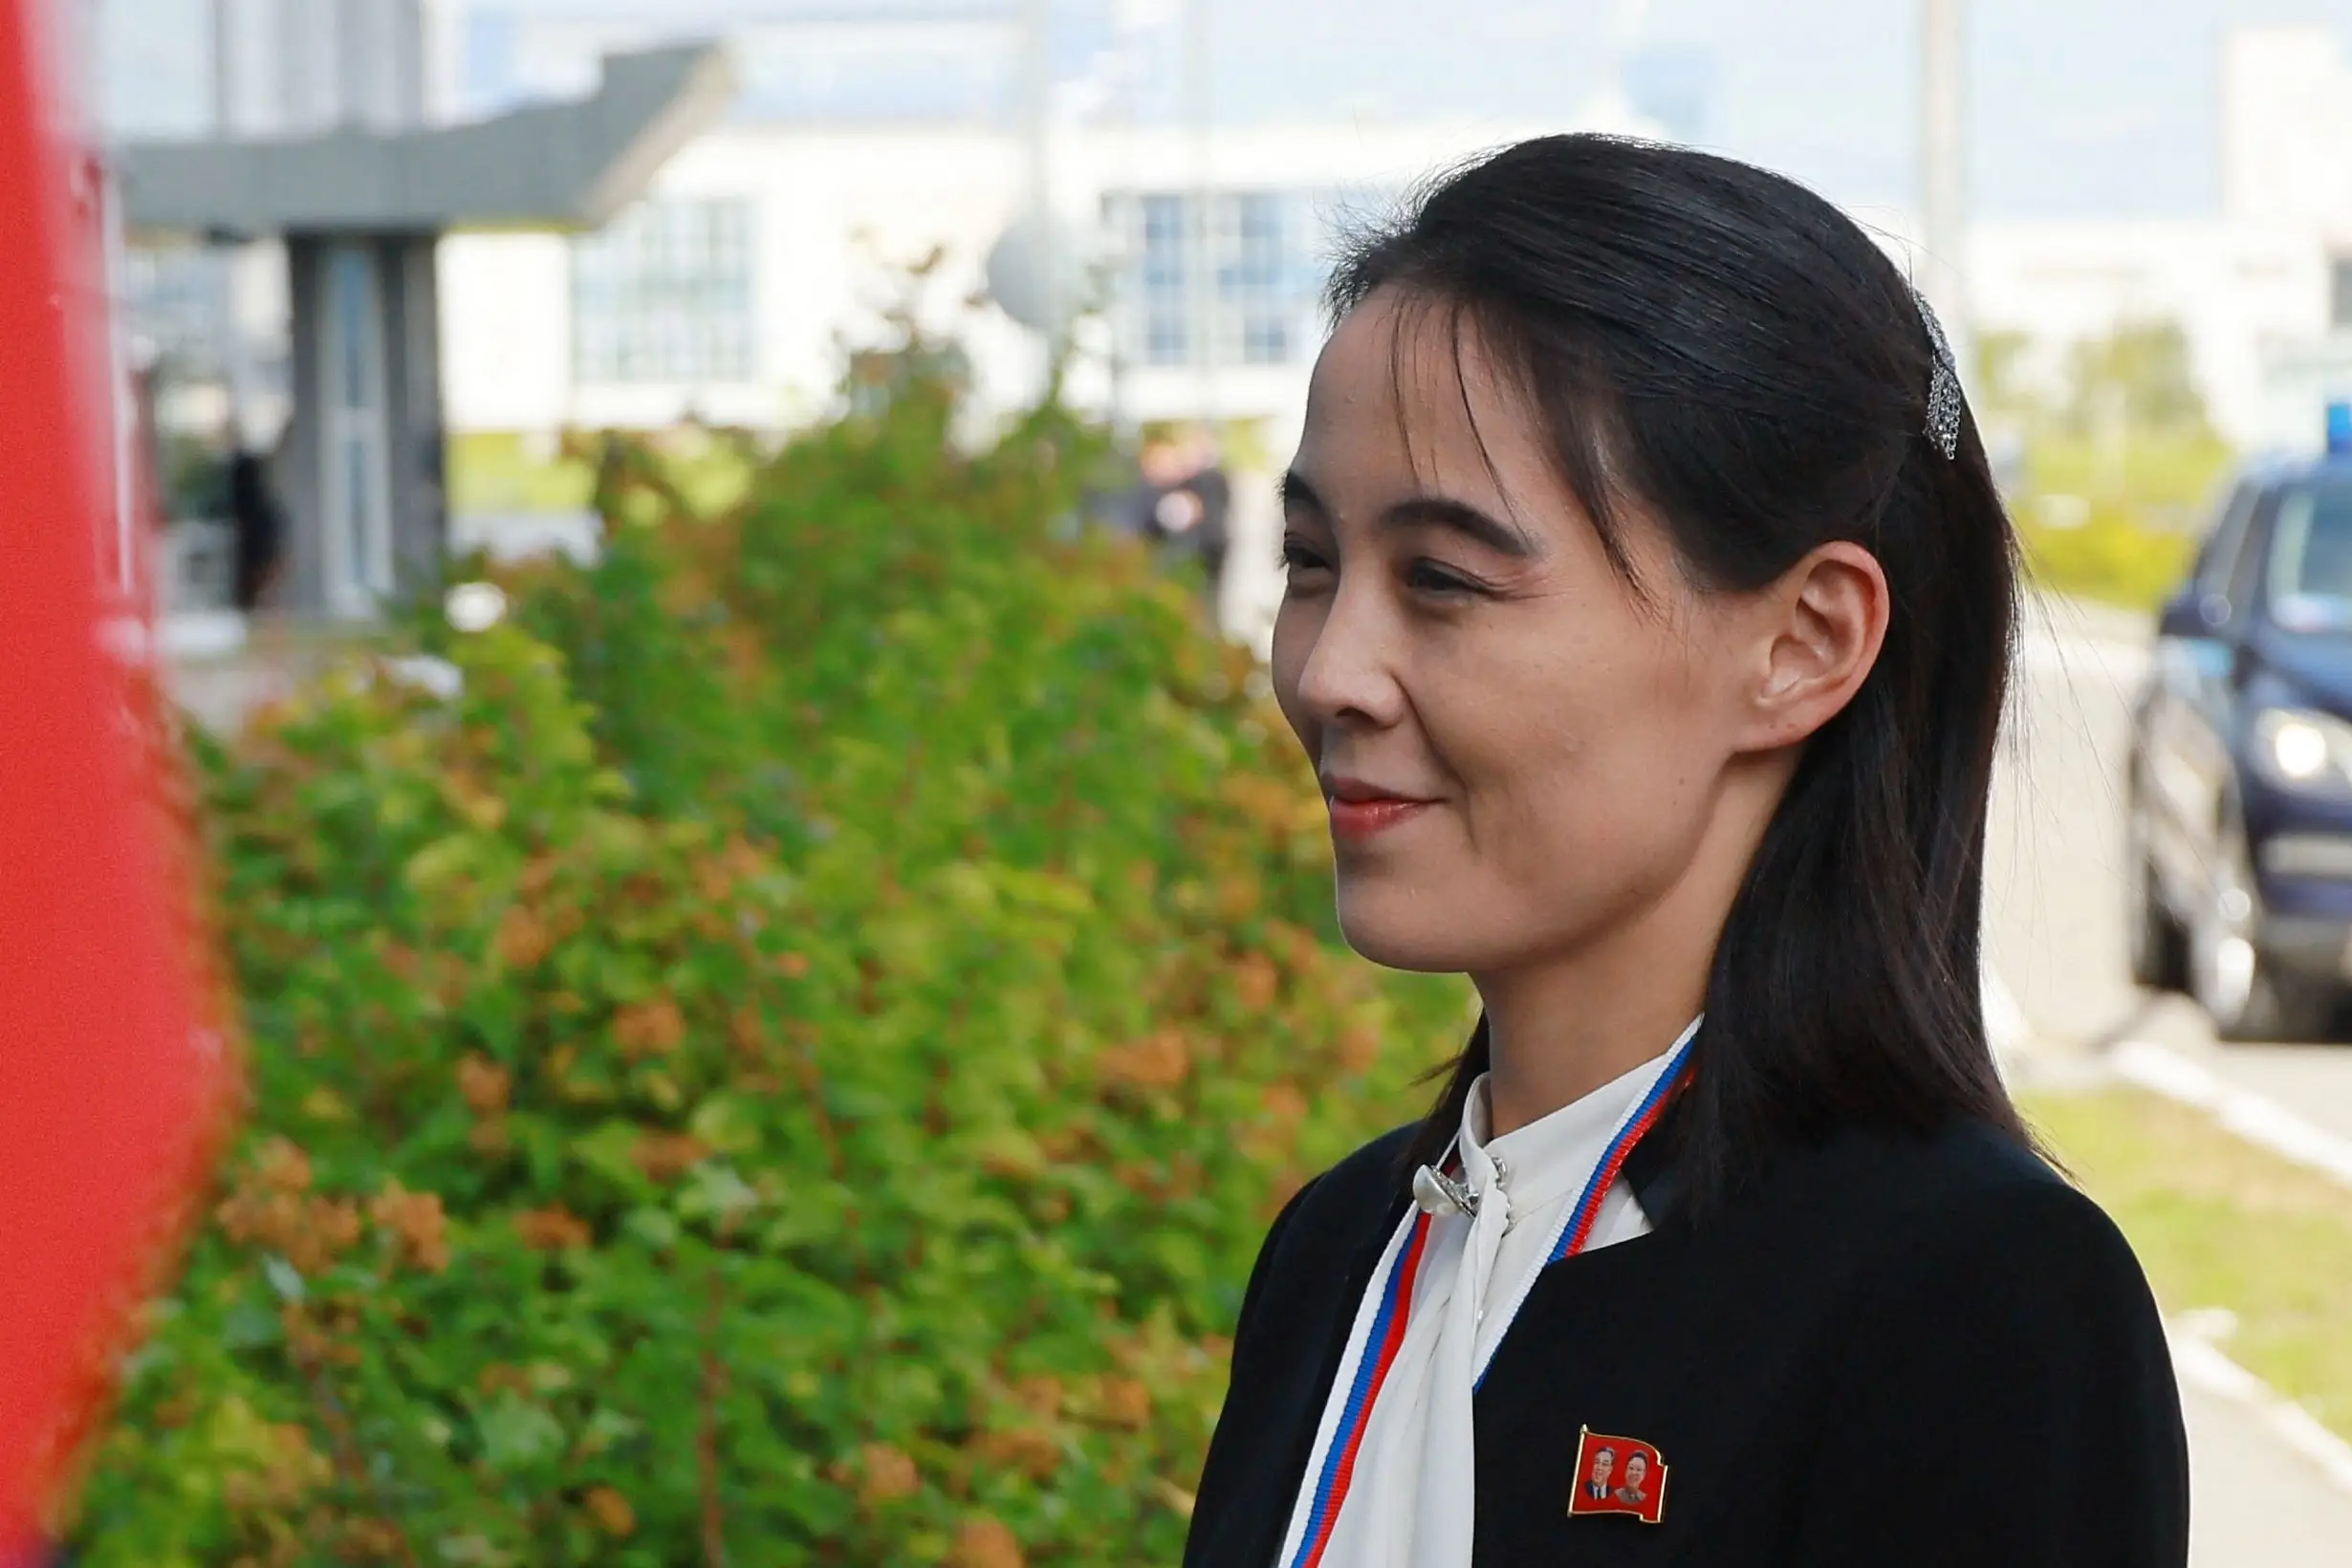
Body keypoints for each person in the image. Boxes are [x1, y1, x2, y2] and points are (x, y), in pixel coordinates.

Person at [1183, 136, 2187, 1568]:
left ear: (1803, 643)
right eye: (1311, 563)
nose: (1331, 672)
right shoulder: (1336, 1253)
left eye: (1445, 579)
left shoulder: (1971, 1298)